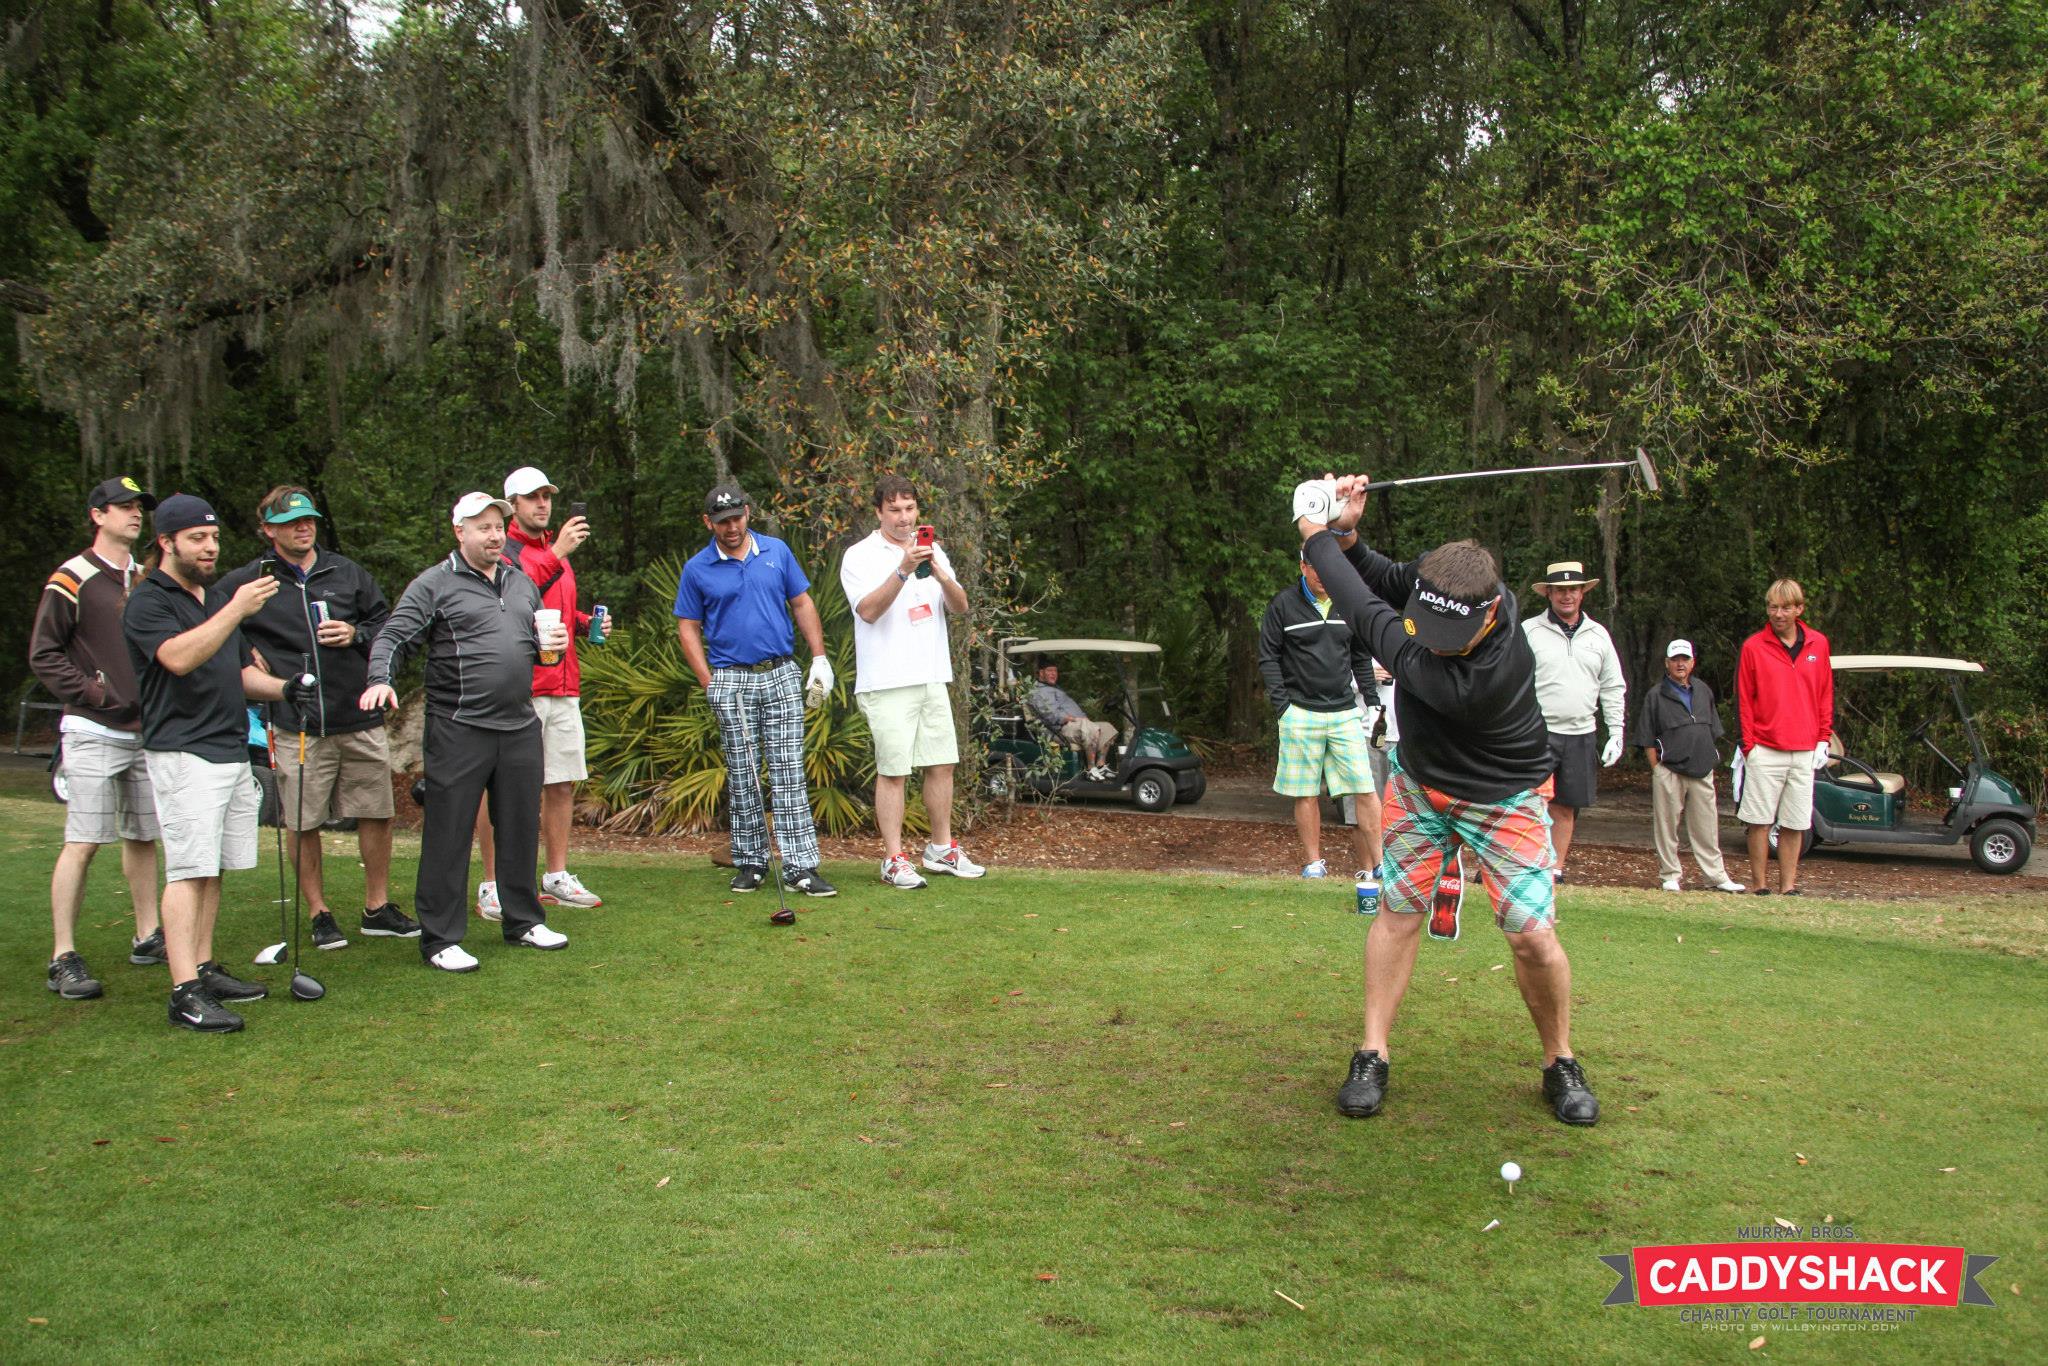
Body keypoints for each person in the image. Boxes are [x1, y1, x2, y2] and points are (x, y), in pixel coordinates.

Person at [1296, 475, 1599, 1127]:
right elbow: (1376, 574)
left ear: (1493, 612)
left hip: (1504, 793)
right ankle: (1372, 1051)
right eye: (1424, 621)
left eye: (1441, 632)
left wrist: (1313, 531)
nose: (1429, 637)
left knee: (1532, 938)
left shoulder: (1478, 675)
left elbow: (1358, 602)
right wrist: (1347, 529)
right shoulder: (1458, 585)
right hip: (1421, 783)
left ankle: (1559, 1060)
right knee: (1398, 913)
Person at [361, 492, 570, 971]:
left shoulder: (520, 584)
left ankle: (522, 921)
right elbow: (393, 636)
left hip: (519, 724)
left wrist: (549, 646)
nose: (494, 535)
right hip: (459, 726)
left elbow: (531, 648)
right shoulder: (435, 584)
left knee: (519, 825)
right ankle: (440, 938)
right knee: (448, 832)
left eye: (498, 526)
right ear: (460, 532)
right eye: (482, 527)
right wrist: (379, 680)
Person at [121, 494, 305, 1032]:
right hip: (182, 751)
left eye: (215, 537)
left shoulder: (209, 598)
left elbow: (235, 672)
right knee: (188, 867)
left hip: (227, 747)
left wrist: (287, 688)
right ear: (166, 542)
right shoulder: (149, 601)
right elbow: (178, 658)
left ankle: (202, 965)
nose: (210, 547)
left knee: (213, 867)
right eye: (197, 538)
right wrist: (234, 609)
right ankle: (183, 992)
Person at [217, 486, 415, 950]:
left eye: (308, 520)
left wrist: (356, 632)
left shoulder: (346, 573)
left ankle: (377, 907)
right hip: (295, 721)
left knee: (377, 812)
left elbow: (389, 626)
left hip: (358, 711)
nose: (303, 527)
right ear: (268, 530)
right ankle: (319, 912)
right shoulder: (250, 581)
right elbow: (211, 619)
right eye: (290, 522)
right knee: (302, 821)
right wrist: (244, 650)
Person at [674, 483, 838, 917]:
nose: (732, 527)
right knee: (743, 771)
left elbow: (801, 603)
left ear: (748, 513)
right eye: (722, 521)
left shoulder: (776, 551)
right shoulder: (698, 567)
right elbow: (687, 626)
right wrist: (707, 679)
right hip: (730, 676)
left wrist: (818, 658)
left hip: (780, 671)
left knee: (787, 770)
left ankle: (802, 867)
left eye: (737, 517)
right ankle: (751, 862)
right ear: (708, 522)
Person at [30, 477, 165, 1000]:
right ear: (97, 515)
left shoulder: (145, 576)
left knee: (142, 836)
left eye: (139, 508)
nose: (135, 515)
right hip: (92, 729)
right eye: (124, 508)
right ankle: (63, 954)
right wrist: (93, 692)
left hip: (144, 729)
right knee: (84, 841)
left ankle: (148, 934)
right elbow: (45, 652)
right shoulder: (74, 575)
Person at [839, 473, 985, 889]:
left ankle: (941, 850)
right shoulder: (860, 555)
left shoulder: (931, 547)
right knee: (895, 770)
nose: (904, 519)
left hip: (931, 674)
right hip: (886, 680)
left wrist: (938, 572)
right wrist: (902, 571)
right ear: (878, 512)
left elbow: (960, 607)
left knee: (942, 764)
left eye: (910, 509)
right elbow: (866, 611)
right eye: (895, 510)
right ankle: (894, 858)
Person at [473, 466, 605, 919]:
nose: (542, 505)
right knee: (502, 787)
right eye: (532, 498)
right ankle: (492, 883)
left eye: (547, 496)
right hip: (521, 688)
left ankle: (556, 874)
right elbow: (514, 598)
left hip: (564, 683)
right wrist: (559, 553)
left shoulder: (553, 550)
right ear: (513, 504)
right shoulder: (501, 550)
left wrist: (587, 624)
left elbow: (551, 610)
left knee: (561, 782)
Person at [1257, 547, 1382, 887]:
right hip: (1299, 711)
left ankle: (1381, 864)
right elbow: (1268, 657)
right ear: (1303, 566)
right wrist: (1282, 707)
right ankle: (1314, 864)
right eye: (1316, 570)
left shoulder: (1346, 602)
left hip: (1344, 711)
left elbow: (1360, 656)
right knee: (1306, 792)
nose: (1323, 578)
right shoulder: (1283, 604)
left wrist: (1371, 702)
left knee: (1365, 788)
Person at [1522, 561, 1627, 880]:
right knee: (1526, 803)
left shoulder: (1598, 635)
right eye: (1560, 590)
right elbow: (1511, 680)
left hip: (1580, 733)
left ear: (1582, 593)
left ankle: (1554, 869)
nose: (1567, 596)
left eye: (1573, 590)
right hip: (1536, 732)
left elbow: (1612, 684)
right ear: (1549, 593)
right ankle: (1521, 863)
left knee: (1565, 806)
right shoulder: (1530, 630)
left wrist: (1617, 730)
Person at [1735, 579, 1833, 896]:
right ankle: (1760, 885)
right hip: (1766, 746)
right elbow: (1745, 699)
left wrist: (1823, 738)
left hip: (1804, 748)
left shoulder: (1818, 643)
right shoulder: (1754, 646)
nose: (1779, 614)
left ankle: (1788, 886)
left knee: (1795, 822)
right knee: (1759, 820)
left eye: (1786, 607)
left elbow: (1824, 694)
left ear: (1799, 609)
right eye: (1773, 607)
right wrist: (1750, 747)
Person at [1631, 639, 1745, 894]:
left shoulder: (1703, 690)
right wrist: (1657, 769)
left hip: (1702, 769)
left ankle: (1716, 876)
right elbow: (1647, 737)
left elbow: (1711, 728)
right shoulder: (1656, 695)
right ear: (1667, 663)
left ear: (1692, 662)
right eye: (1675, 659)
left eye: (1685, 659)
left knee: (1707, 825)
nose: (1680, 664)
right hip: (1669, 769)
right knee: (1667, 826)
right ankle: (1670, 875)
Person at [1025, 658, 1118, 780]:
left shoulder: (1055, 688)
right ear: (1041, 673)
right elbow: (1051, 715)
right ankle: (1091, 769)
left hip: (1076, 724)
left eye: (1055, 671)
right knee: (1087, 728)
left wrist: (1082, 719)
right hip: (1060, 729)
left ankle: (1100, 765)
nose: (1054, 674)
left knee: (1108, 728)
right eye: (1050, 671)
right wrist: (1073, 719)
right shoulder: (1037, 692)